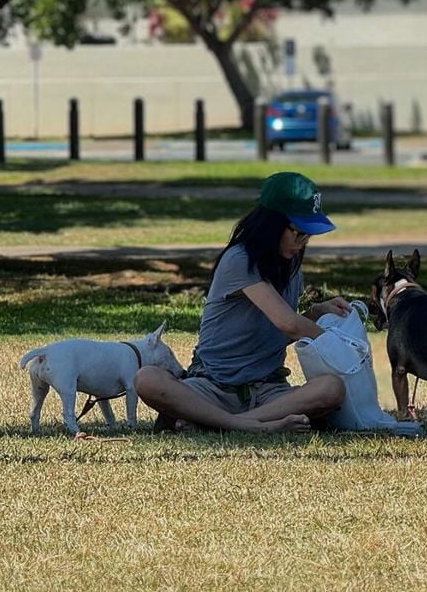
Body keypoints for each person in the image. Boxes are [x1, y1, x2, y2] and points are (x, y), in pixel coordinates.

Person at [135, 172, 349, 433]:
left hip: (267, 390)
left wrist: (317, 313)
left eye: (308, 236)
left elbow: (277, 332)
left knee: (331, 388)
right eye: (299, 233)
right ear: (272, 225)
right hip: (212, 386)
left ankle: (218, 423)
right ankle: (249, 425)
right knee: (147, 379)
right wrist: (342, 345)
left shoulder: (292, 265)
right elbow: (289, 324)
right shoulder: (240, 260)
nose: (303, 243)